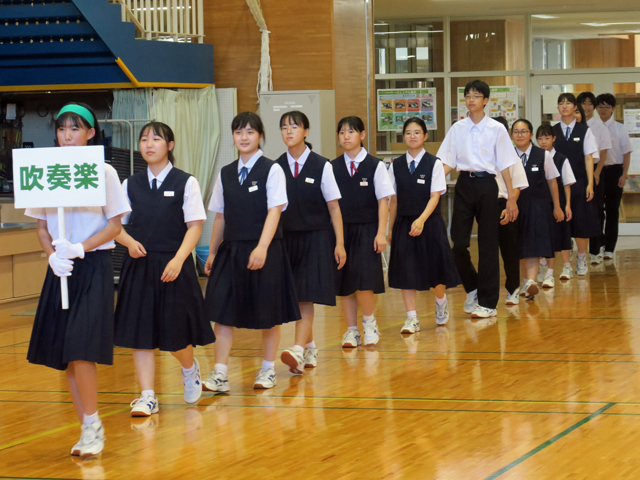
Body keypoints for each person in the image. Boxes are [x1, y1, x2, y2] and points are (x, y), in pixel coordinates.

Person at [25, 103, 130, 457]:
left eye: (76, 129)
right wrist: (53, 254)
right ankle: (86, 423)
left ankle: (94, 424)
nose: (67, 136)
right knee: (68, 353)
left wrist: (80, 248)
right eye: (62, 129)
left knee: (83, 349)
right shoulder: (45, 170)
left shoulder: (104, 172)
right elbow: (41, 226)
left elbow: (115, 225)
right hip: (60, 269)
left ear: (90, 133)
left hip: (92, 266)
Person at [114, 122, 215, 417]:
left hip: (175, 266)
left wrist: (179, 259)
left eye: (156, 139)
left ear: (170, 145)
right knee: (140, 333)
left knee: (175, 334)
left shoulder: (187, 182)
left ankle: (189, 368)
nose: (149, 144)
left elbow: (195, 226)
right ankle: (147, 395)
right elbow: (115, 225)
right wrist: (129, 242)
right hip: (139, 265)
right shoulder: (129, 184)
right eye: (144, 139)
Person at [202, 112, 300, 392]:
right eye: (238, 132)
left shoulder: (272, 170)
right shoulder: (225, 173)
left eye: (249, 132)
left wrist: (262, 247)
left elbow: (275, 211)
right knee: (221, 311)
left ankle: (268, 369)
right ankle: (220, 373)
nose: (243, 138)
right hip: (231, 251)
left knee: (269, 312)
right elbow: (219, 216)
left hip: (265, 250)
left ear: (260, 136)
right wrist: (212, 252)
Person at [437, 80, 521, 318]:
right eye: (468, 96)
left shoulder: (497, 129)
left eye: (476, 96)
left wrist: (511, 198)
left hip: (488, 184)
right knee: (458, 242)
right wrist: (432, 184)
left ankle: (488, 303)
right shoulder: (457, 128)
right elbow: (446, 162)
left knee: (487, 245)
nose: (471, 99)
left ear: (486, 100)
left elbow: (505, 164)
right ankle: (473, 286)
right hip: (464, 183)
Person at [275, 111, 347, 374]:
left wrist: (339, 243)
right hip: (284, 240)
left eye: (294, 126)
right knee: (292, 297)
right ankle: (310, 345)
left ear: (306, 131)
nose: (289, 131)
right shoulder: (275, 167)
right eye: (284, 127)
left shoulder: (322, 165)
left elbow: (334, 208)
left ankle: (296, 348)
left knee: (306, 296)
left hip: (316, 238)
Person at [387, 117, 460, 331]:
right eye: (408, 132)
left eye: (417, 132)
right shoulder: (396, 165)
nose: (412, 136)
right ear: (403, 137)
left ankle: (440, 303)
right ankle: (411, 317)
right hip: (404, 224)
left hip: (430, 223)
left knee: (435, 269)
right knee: (406, 271)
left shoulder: (434, 163)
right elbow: (394, 199)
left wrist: (421, 220)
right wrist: (390, 229)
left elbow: (435, 196)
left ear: (425, 136)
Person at [332, 116, 394, 347]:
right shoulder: (332, 166)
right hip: (341, 232)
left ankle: (369, 323)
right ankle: (351, 330)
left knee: (365, 280)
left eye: (351, 131)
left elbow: (383, 201)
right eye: (342, 132)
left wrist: (381, 233)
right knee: (345, 282)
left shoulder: (375, 165)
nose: (346, 136)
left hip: (368, 230)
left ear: (362, 135)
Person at [510, 119, 563, 299]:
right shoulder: (506, 156)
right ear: (511, 136)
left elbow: (552, 181)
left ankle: (531, 281)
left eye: (524, 131)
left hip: (538, 205)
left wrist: (557, 206)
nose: (520, 135)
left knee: (533, 244)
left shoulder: (543, 155)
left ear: (531, 134)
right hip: (514, 206)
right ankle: (526, 281)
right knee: (518, 245)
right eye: (516, 132)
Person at [494, 116, 529, 306]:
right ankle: (486, 294)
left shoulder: (511, 156)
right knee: (488, 252)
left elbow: (518, 185)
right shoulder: (483, 155)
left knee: (509, 251)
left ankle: (513, 289)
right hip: (487, 205)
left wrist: (510, 203)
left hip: (506, 204)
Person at [536, 123, 576, 285]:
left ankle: (566, 266)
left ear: (554, 139)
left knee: (561, 234)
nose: (544, 141)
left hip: (558, 203)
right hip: (541, 204)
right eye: (540, 138)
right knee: (545, 235)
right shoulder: (536, 156)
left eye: (547, 138)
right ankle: (543, 266)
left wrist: (566, 205)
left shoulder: (561, 158)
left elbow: (567, 183)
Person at [596, 93, 633, 259]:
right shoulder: (592, 128)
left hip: (615, 171)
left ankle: (610, 249)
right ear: (596, 108)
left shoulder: (620, 128)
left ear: (613, 109)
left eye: (607, 107)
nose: (603, 110)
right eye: (600, 106)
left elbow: (626, 153)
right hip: (597, 171)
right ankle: (600, 242)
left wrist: (624, 174)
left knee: (612, 211)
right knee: (596, 211)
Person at [577, 92, 613, 265]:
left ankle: (595, 249)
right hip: (576, 175)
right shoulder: (574, 126)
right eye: (583, 103)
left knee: (596, 211)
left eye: (590, 103)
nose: (587, 107)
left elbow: (604, 152)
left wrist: (597, 173)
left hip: (595, 174)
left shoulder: (599, 127)